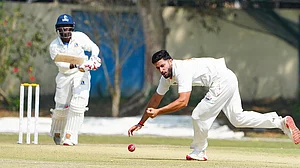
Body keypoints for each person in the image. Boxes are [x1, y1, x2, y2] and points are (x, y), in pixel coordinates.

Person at [128, 50, 300, 161]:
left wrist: (158, 112)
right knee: (238, 119)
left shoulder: (182, 70)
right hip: (227, 77)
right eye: (158, 68)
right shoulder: (166, 78)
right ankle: (280, 122)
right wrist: (141, 123)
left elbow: (183, 101)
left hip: (222, 80)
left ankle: (199, 151)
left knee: (198, 115)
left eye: (163, 66)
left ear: (170, 61)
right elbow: (155, 100)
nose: (161, 70)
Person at [49, 14, 101, 146]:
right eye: (62, 28)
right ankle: (57, 132)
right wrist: (78, 64)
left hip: (80, 74)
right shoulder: (54, 46)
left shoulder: (80, 37)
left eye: (67, 28)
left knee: (78, 104)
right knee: (61, 107)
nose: (65, 31)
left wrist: (93, 59)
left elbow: (94, 47)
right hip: (64, 76)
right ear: (57, 30)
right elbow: (62, 65)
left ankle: (70, 136)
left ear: (72, 28)